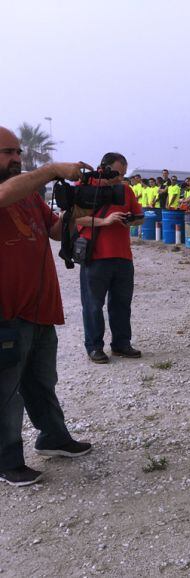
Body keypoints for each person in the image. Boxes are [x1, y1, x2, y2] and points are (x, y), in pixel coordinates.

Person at [0, 126, 94, 486]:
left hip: (39, 309)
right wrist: (51, 169)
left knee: (41, 382)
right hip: (7, 313)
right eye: (8, 152)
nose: (16, 159)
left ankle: (54, 437)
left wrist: (80, 207)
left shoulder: (28, 196)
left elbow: (55, 230)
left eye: (18, 152)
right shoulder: (12, 191)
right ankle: (7, 460)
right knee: (5, 391)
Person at [76, 152, 145, 364]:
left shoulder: (125, 190)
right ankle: (94, 347)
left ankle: (121, 344)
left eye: (123, 174)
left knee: (122, 304)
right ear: (103, 168)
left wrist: (131, 220)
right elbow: (74, 217)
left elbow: (140, 217)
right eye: (116, 174)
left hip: (123, 257)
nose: (119, 178)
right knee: (93, 305)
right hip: (95, 256)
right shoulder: (84, 187)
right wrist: (105, 221)